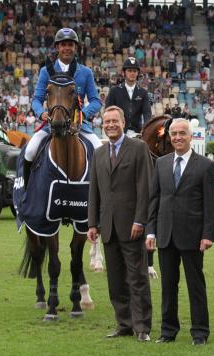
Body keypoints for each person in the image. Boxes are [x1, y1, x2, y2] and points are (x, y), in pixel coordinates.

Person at [146, 118, 214, 346]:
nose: (177, 137)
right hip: (166, 234)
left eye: (182, 133)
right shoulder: (162, 163)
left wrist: (207, 235)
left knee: (195, 285)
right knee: (168, 286)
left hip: (193, 236)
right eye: (174, 133)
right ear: (169, 136)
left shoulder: (205, 165)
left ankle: (200, 332)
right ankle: (168, 331)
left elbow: (210, 204)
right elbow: (155, 199)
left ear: (191, 136)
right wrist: (151, 232)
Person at [87, 106, 154, 342]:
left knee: (137, 278)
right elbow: (94, 190)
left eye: (115, 121)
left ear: (123, 122)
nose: (111, 125)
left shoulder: (138, 148)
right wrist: (92, 223)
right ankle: (124, 324)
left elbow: (145, 187)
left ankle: (142, 327)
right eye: (107, 121)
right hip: (108, 227)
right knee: (115, 281)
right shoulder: (99, 153)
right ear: (102, 125)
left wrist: (140, 219)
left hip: (132, 226)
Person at [24, 28, 102, 182]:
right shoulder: (46, 71)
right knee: (30, 150)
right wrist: (41, 113)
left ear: (75, 48)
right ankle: (26, 190)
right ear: (57, 47)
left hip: (78, 125)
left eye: (70, 45)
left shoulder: (85, 72)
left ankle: (102, 197)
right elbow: (37, 99)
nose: (67, 48)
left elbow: (96, 100)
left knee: (100, 151)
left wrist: (83, 114)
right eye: (63, 44)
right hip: (53, 123)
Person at [105, 57, 151, 138]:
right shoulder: (114, 91)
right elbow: (108, 111)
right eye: (129, 71)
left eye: (134, 71)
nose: (132, 73)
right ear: (123, 72)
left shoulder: (143, 92)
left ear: (138, 73)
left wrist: (145, 129)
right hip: (118, 131)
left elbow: (147, 113)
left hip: (137, 132)